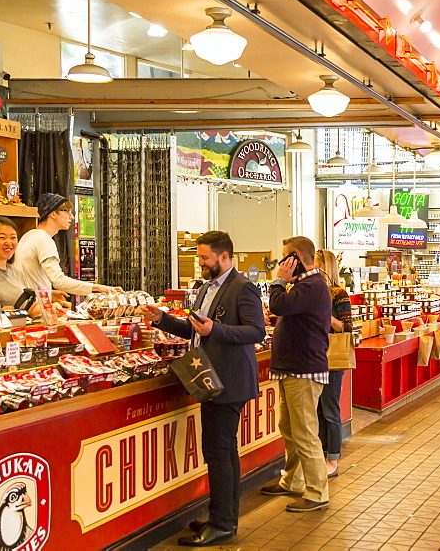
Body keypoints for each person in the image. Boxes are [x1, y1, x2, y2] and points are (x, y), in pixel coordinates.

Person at [139, 231, 266, 547]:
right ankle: (223, 516)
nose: (200, 262)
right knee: (223, 451)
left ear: (224, 257)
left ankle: (223, 524)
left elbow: (256, 331)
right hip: (209, 378)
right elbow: (195, 332)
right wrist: (163, 320)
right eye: (199, 257)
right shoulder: (205, 288)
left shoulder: (242, 287)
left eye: (205, 258)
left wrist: (217, 329)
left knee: (218, 451)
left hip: (228, 381)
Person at [261, 236, 332, 513]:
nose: (281, 264)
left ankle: (316, 493)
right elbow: (289, 312)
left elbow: (279, 304)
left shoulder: (312, 285)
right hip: (292, 369)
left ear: (297, 258)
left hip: (303, 370)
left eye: (284, 258)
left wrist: (279, 280)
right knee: (289, 429)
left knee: (305, 434)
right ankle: (293, 480)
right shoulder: (305, 286)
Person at [13, 193, 119, 296]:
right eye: (67, 211)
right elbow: (58, 280)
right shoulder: (43, 239)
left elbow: (30, 280)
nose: (72, 217)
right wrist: (98, 288)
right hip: (34, 307)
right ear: (53, 213)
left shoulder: (30, 235)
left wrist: (49, 293)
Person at [314, 248, 353, 478]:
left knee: (329, 410)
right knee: (317, 410)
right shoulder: (313, 292)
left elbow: (347, 328)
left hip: (332, 357)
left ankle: (334, 460)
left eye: (316, 263)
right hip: (314, 355)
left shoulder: (338, 294)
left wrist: (324, 316)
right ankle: (320, 454)